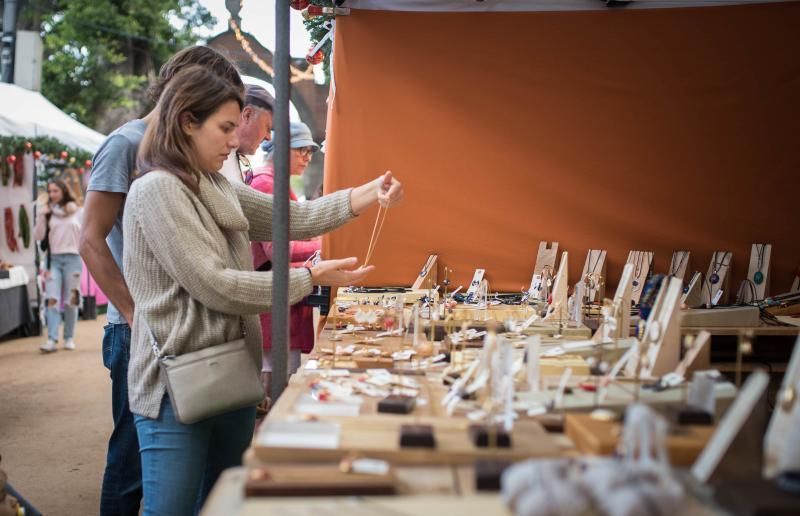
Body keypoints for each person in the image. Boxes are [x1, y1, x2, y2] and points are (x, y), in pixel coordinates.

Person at [124, 65, 402, 514]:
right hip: (176, 386)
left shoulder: (214, 184)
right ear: (186, 122)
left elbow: (298, 217)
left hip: (230, 376)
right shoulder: (157, 190)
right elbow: (216, 285)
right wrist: (310, 277)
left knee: (225, 503)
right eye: (226, 128)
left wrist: (371, 191)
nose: (235, 141)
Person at [79, 46, 244, 516]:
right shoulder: (125, 143)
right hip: (137, 328)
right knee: (132, 466)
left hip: (179, 331)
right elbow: (90, 239)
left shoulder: (185, 154)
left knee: (181, 474)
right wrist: (135, 314)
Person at [250, 122, 321, 388]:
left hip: (280, 301)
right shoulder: (267, 185)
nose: (307, 157)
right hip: (272, 305)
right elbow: (278, 250)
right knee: (271, 393)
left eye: (310, 152)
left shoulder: (275, 183)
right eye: (300, 150)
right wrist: (324, 247)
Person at [34, 179, 82, 353]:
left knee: (72, 300)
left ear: (63, 190)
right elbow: (38, 236)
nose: (52, 194)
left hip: (74, 259)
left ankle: (69, 337)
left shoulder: (78, 211)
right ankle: (52, 339)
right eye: (50, 191)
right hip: (53, 260)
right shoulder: (48, 212)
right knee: (52, 299)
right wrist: (40, 215)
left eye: (55, 191)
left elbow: (86, 233)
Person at [219, 84, 274, 185]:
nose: (269, 138)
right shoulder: (217, 156)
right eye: (268, 128)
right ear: (247, 115)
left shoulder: (233, 158)